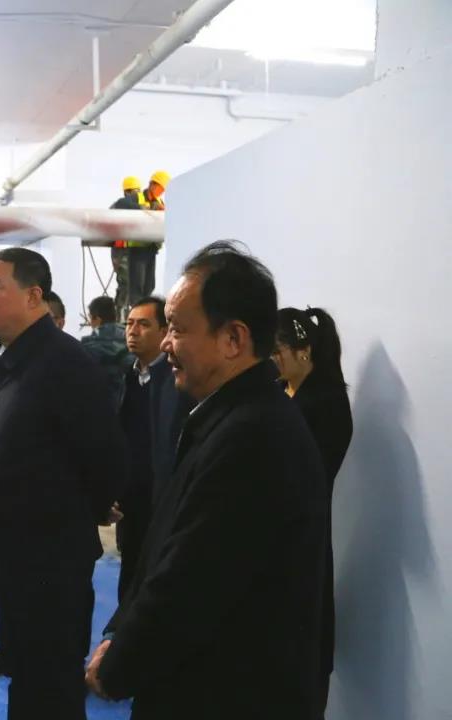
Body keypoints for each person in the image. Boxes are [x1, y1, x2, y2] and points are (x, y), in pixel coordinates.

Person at [86, 241, 328, 720]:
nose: (166, 344)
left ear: (233, 339)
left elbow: (190, 583)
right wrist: (121, 631)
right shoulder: (226, 416)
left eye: (177, 329)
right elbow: (169, 548)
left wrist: (118, 666)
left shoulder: (253, 437)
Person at [0, 247, 126, 719]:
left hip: (51, 565)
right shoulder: (9, 359)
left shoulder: (64, 363)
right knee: (28, 677)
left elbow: (103, 453)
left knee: (52, 684)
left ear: (33, 295)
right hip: (15, 561)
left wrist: (91, 507)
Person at [273, 306, 353, 715]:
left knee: (299, 655)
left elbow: (306, 480)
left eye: (277, 349)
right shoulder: (283, 394)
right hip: (276, 535)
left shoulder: (326, 404)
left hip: (300, 537)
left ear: (303, 350)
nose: (270, 358)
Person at [115, 296, 191, 602]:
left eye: (143, 324)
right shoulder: (128, 377)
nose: (133, 331)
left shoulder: (178, 381)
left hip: (163, 501)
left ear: (164, 332)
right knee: (129, 575)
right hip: (130, 502)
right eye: (129, 324)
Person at [109, 175, 152, 317]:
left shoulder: (137, 208)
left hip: (132, 253)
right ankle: (122, 315)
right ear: (127, 192)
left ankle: (131, 314)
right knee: (127, 283)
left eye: (138, 192)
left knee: (139, 285)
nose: (136, 195)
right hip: (121, 253)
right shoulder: (120, 205)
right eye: (134, 192)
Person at [81, 295, 132, 405]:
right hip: (130, 402)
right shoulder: (131, 338)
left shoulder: (87, 345)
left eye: (90, 318)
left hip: (99, 404)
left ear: (97, 320)